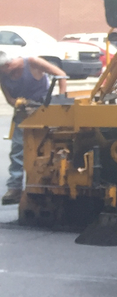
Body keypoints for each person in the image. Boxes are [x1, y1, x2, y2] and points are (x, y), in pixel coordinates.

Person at [1, 50, 67, 205]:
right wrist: (18, 104)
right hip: (23, 113)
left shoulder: (32, 62)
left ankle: (48, 182)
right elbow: (9, 98)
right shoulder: (3, 75)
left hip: (43, 109)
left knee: (47, 147)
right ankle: (15, 187)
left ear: (8, 64)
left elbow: (60, 74)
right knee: (18, 148)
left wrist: (60, 98)